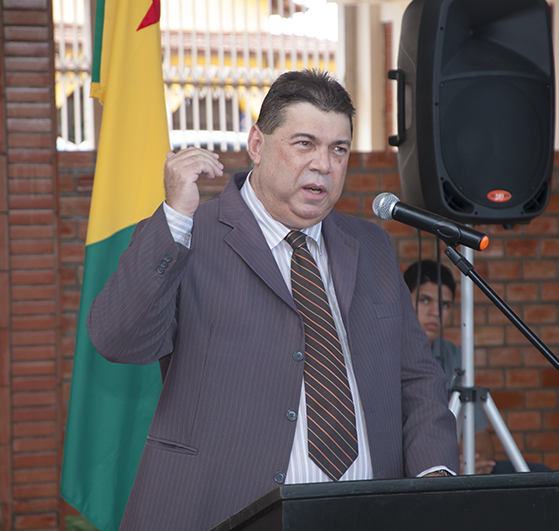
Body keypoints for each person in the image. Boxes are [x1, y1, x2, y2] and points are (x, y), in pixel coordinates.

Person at [87, 70, 460, 531]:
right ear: (257, 145)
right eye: (305, 144)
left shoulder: (372, 246)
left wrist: (433, 476)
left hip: (366, 513)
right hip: (223, 513)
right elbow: (118, 339)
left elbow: (417, 378)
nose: (323, 165)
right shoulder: (190, 233)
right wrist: (175, 218)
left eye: (338, 149)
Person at [403, 259, 496, 475]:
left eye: (445, 305)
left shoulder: (454, 356)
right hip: (409, 474)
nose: (436, 312)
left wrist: (470, 464)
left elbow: (482, 442)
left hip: (453, 472)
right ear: (404, 301)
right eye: (424, 300)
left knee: (537, 473)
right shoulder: (384, 353)